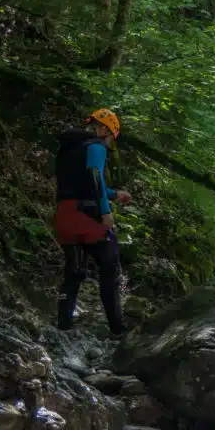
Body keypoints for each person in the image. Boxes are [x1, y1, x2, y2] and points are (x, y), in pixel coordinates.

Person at [54, 108, 131, 336]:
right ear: (104, 130)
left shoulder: (69, 148)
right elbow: (95, 177)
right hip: (86, 215)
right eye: (111, 139)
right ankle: (118, 329)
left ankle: (62, 325)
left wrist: (115, 194)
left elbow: (84, 182)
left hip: (65, 214)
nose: (109, 144)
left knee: (73, 272)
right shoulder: (96, 147)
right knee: (110, 266)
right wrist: (106, 212)